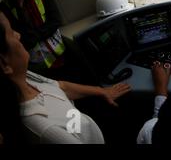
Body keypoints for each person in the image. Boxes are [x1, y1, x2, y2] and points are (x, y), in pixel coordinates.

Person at [0, 10, 132, 143]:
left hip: (83, 126)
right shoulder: (48, 130)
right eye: (11, 32)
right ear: (4, 63)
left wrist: (102, 91)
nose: (18, 35)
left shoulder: (26, 77)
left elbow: (61, 86)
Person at [1, 0, 66, 76]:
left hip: (61, 55)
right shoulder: (5, 8)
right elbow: (27, 41)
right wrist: (20, 8)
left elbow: (56, 20)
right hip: (38, 68)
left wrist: (35, 35)